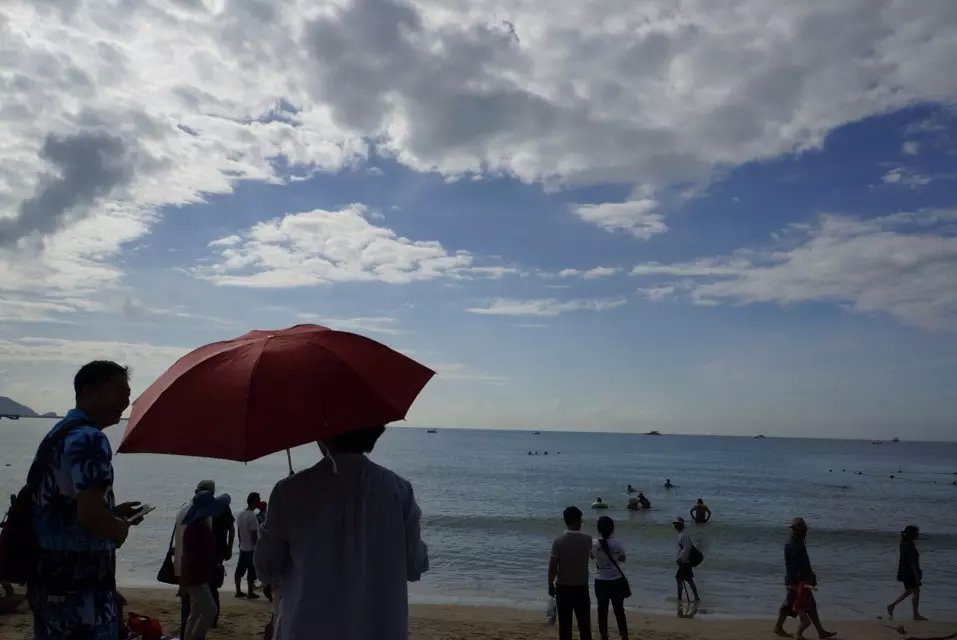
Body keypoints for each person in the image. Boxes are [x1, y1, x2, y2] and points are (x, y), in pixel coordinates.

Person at [255, 425, 429, 639]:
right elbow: (415, 566)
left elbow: (266, 569)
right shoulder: (400, 491)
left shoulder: (289, 491)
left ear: (324, 434)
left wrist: (273, 522)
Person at [27, 361, 141, 640]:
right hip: (80, 585)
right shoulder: (90, 439)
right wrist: (119, 528)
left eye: (128, 393)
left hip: (48, 577)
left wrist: (111, 511)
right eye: (118, 391)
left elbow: (66, 505)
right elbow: (90, 517)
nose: (125, 401)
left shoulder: (60, 433)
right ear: (89, 391)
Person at [174, 481, 233, 635]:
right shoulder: (196, 529)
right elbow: (187, 556)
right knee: (210, 610)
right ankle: (195, 637)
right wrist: (183, 582)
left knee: (195, 613)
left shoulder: (201, 525)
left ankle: (189, 637)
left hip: (199, 575)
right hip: (196, 577)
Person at [773, 518, 836, 639]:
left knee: (809, 604)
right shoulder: (791, 545)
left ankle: (820, 632)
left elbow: (804, 561)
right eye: (803, 530)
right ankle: (779, 628)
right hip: (796, 581)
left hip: (802, 579)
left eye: (805, 529)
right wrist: (795, 584)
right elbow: (792, 567)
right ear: (795, 530)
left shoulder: (800, 541)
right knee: (790, 604)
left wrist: (811, 574)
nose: (805, 532)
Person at [548, 506, 593, 640]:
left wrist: (550, 584)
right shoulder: (587, 540)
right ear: (578, 521)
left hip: (563, 587)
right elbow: (594, 556)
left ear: (565, 521)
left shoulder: (558, 541)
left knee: (565, 625)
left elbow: (553, 566)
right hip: (581, 586)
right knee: (584, 625)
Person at [592, 516, 629, 640]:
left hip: (600, 580)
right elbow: (623, 559)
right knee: (619, 610)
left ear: (598, 529)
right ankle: (624, 635)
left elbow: (591, 556)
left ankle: (604, 635)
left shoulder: (594, 543)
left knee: (602, 610)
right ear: (612, 529)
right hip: (616, 579)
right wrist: (615, 555)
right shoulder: (617, 543)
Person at [887, 525, 926, 621]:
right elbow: (912, 563)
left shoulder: (904, 543)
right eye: (916, 533)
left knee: (912, 591)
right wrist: (916, 576)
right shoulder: (909, 545)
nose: (917, 535)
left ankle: (893, 606)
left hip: (905, 572)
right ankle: (915, 614)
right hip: (910, 573)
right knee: (915, 590)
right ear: (912, 535)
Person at [235, 492, 261, 599]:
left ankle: (238, 591)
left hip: (243, 547)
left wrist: (240, 542)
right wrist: (256, 548)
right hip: (251, 548)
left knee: (240, 569)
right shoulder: (252, 516)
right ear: (254, 501)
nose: (259, 502)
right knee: (251, 571)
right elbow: (254, 535)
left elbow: (239, 530)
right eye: (258, 500)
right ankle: (250, 592)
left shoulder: (240, 514)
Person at [673, 517, 699, 602]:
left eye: (677, 524)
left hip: (685, 562)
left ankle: (680, 599)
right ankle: (696, 597)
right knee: (689, 579)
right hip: (684, 561)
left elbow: (687, 548)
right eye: (675, 524)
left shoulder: (684, 535)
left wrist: (681, 559)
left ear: (681, 525)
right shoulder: (681, 535)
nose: (675, 525)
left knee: (679, 579)